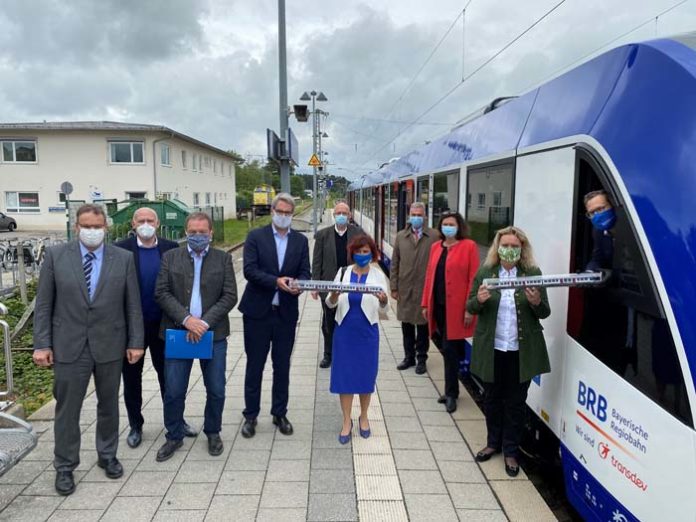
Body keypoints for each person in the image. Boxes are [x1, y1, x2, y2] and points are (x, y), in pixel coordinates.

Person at [33, 204, 144, 496]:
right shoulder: (57, 257)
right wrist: (42, 344)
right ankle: (65, 467)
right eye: (86, 226)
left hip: (110, 344)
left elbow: (132, 305)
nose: (91, 231)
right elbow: (43, 304)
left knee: (108, 405)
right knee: (67, 410)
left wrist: (136, 342)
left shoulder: (123, 258)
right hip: (69, 346)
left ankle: (107, 455)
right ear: (76, 227)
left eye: (97, 226)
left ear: (106, 228)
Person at [466, 226, 551, 477]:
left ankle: (511, 451)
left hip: (519, 351)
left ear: (522, 249)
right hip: (492, 349)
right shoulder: (486, 272)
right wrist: (479, 300)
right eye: (506, 245)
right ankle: (493, 443)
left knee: (515, 402)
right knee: (492, 398)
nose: (510, 250)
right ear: (498, 246)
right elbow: (470, 305)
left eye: (515, 246)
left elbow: (544, 311)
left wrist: (536, 302)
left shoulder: (532, 273)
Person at [154, 212, 237, 461]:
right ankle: (174, 435)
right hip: (179, 333)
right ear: (186, 232)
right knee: (174, 390)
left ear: (211, 233)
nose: (197, 236)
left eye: (202, 232)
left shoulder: (223, 259)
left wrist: (204, 322)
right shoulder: (170, 257)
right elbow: (162, 292)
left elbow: (230, 295)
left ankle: (213, 431)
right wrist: (187, 320)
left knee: (216, 389)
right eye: (192, 232)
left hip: (214, 334)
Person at [114, 207, 196, 449]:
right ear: (133, 222)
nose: (146, 224)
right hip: (132, 328)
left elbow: (181, 284)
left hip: (165, 325)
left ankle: (176, 421)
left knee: (170, 379)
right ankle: (136, 425)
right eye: (141, 220)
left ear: (158, 223)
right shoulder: (121, 249)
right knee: (131, 379)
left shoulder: (171, 248)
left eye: (150, 220)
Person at [239, 193, 311, 438]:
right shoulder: (255, 237)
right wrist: (276, 282)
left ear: (292, 214)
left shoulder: (300, 241)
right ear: (272, 211)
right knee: (255, 365)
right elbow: (249, 270)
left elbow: (305, 272)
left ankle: (279, 412)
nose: (283, 216)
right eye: (279, 212)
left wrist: (300, 283)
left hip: (285, 314)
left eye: (288, 213)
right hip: (257, 313)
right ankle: (250, 415)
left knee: (282, 366)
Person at [326, 234, 389, 443]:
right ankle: (346, 420)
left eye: (366, 252)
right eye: (358, 251)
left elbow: (386, 308)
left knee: (364, 377)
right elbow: (331, 303)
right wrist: (334, 295)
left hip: (367, 333)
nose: (362, 255)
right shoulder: (343, 273)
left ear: (372, 253)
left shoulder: (378, 276)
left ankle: (363, 416)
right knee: (344, 379)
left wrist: (383, 300)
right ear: (352, 253)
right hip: (344, 332)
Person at [421, 211, 479, 413]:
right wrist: (425, 304)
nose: (447, 227)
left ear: (459, 226)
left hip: (457, 310)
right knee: (447, 350)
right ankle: (449, 390)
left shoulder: (469, 247)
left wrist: (470, 308)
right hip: (438, 307)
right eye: (444, 224)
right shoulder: (436, 247)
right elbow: (430, 275)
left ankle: (452, 394)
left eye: (451, 224)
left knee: (450, 350)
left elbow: (474, 279)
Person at [311, 200, 363, 368]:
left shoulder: (357, 233)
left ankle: (346, 352)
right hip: (328, 285)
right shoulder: (322, 235)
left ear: (349, 216)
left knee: (348, 320)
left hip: (350, 285)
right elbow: (317, 262)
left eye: (345, 213)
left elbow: (363, 259)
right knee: (329, 321)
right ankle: (328, 354)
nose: (341, 216)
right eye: (338, 213)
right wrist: (315, 285)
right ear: (334, 215)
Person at [390, 202, 439, 374]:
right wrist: (393, 287)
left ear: (424, 216)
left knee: (423, 327)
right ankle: (408, 357)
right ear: (409, 215)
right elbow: (395, 263)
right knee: (407, 326)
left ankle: (421, 359)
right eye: (413, 214)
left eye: (419, 214)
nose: (416, 217)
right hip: (405, 289)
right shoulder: (401, 236)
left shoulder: (434, 236)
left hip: (424, 290)